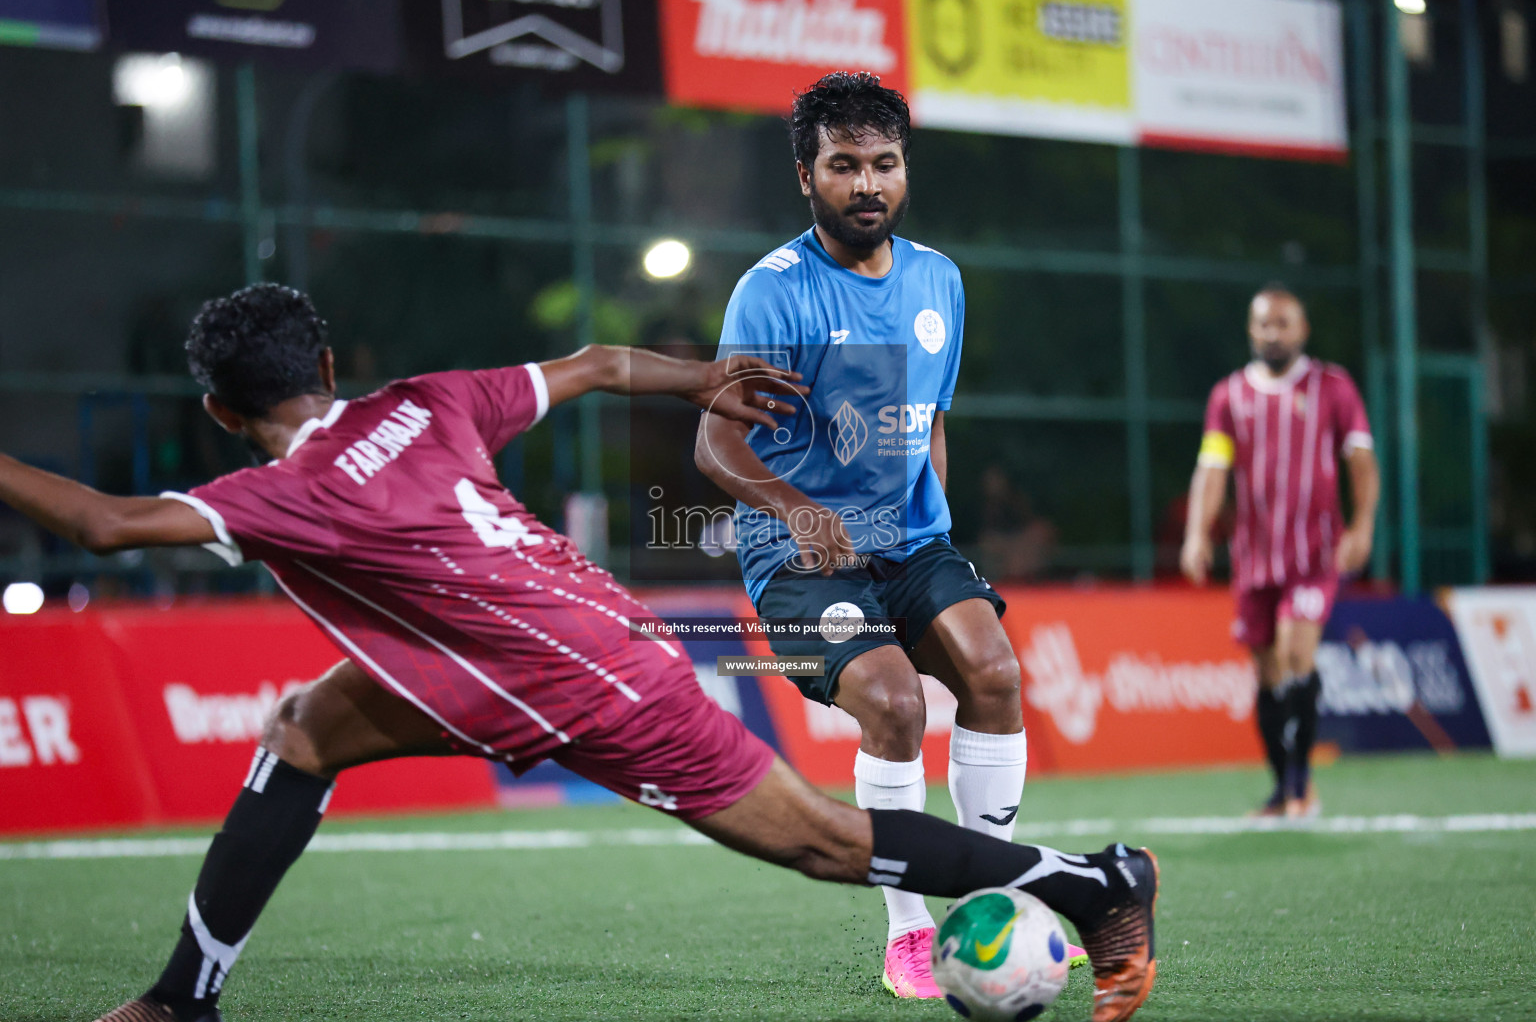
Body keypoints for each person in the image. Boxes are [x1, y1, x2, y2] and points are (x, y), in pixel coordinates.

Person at [0, 284, 1158, 1022]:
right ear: (334, 368)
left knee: (820, 842)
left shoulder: (279, 491)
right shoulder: (427, 399)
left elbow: (103, 523)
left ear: (218, 410)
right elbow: (601, 362)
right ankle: (182, 999)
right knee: (305, 727)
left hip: (591, 684)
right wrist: (702, 376)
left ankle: (1098, 881)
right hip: (521, 647)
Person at [692, 72, 1081, 997]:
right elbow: (713, 440)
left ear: (904, 168)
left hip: (911, 541)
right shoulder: (772, 291)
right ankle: (909, 927)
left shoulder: (938, 277)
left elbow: (930, 422)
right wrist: (799, 513)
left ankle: (989, 894)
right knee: (898, 706)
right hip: (798, 557)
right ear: (806, 175)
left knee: (993, 671)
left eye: (884, 164)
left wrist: (932, 535)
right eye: (844, 165)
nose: (867, 183)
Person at [1180, 284, 1380, 818]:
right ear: (1252, 330)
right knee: (1267, 671)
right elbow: (1213, 468)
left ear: (1302, 330)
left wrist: (1362, 527)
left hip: (1315, 554)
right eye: (1264, 324)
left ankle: (1302, 784)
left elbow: (1360, 462)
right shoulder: (1229, 395)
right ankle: (1280, 787)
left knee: (1296, 652)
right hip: (1254, 557)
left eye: (1283, 323)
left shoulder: (1333, 387)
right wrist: (1197, 533)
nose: (1273, 333)